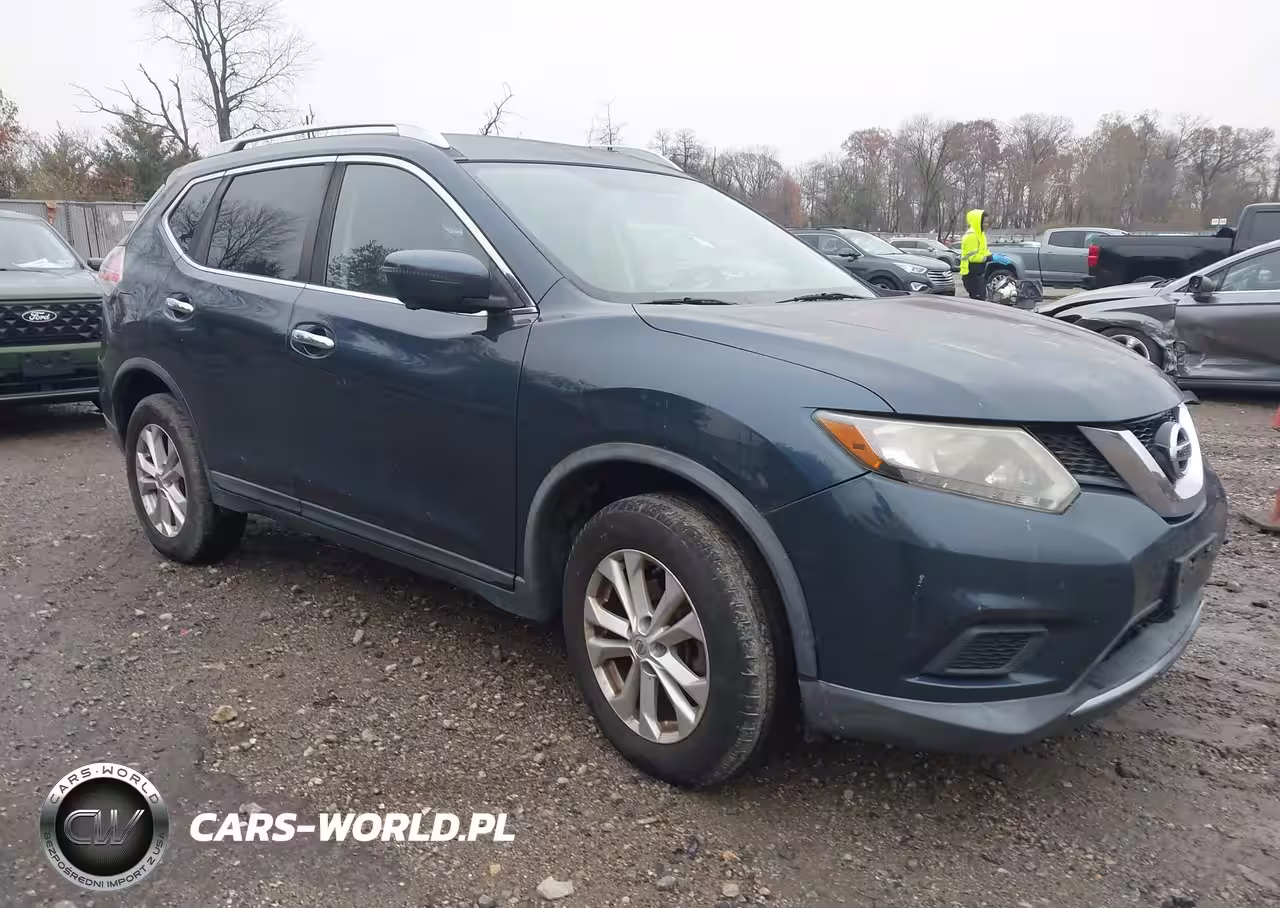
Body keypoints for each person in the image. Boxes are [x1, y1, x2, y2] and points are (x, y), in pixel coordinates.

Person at [959, 208, 991, 300]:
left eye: (987, 222)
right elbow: (972, 257)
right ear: (978, 222)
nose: (986, 225)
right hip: (970, 274)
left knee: (981, 299)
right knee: (978, 301)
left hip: (978, 273)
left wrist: (992, 255)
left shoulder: (980, 235)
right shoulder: (971, 236)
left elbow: (984, 251)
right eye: (984, 222)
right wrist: (988, 258)